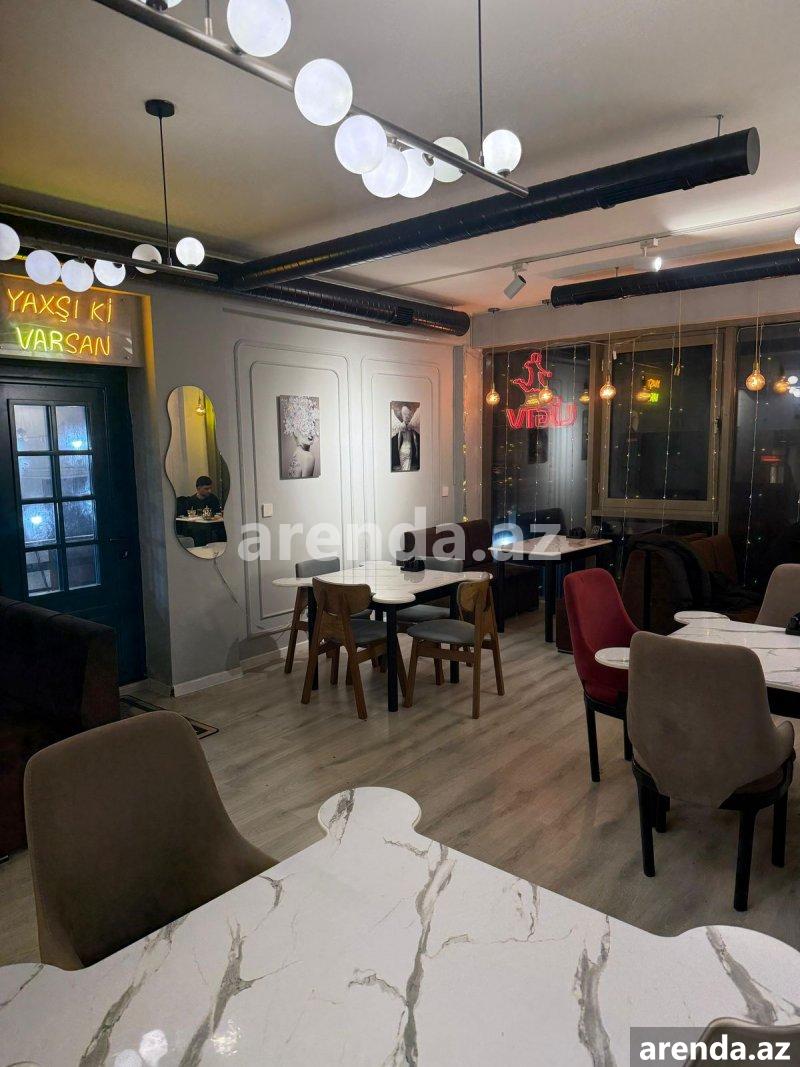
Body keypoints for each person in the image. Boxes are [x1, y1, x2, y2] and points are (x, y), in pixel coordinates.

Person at [391, 404, 420, 472]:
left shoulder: (402, 427)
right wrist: (416, 451)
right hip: (408, 449)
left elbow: (399, 439)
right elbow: (415, 440)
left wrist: (398, 450)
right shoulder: (411, 428)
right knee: (407, 468)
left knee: (403, 467)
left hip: (402, 450)